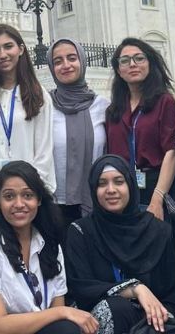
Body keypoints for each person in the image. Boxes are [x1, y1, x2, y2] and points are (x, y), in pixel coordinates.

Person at [0, 160, 98, 334]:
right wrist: (62, 311)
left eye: (27, 195)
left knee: (68, 329)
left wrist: (60, 313)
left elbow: (57, 321)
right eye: (9, 196)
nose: (19, 204)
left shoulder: (49, 245)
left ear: (39, 200)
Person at [65, 155, 175, 334]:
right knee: (116, 308)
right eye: (102, 184)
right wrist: (134, 289)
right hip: (104, 320)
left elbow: (174, 298)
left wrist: (155, 318)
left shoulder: (158, 231)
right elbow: (81, 290)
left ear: (130, 186)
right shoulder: (81, 232)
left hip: (151, 321)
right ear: (93, 189)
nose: (111, 190)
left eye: (118, 181)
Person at [105, 38, 175, 245]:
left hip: (156, 187)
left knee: (160, 256)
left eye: (139, 58)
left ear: (150, 63)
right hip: (123, 191)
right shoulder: (113, 110)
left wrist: (158, 198)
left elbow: (172, 151)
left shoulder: (165, 102)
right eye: (125, 60)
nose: (132, 64)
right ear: (118, 69)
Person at [0, 24, 56, 193]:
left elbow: (44, 152)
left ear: (21, 49)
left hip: (28, 192)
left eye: (8, 46)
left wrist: (30, 190)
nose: (2, 54)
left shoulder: (38, 95)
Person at [47, 38, 110, 223]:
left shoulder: (103, 106)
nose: (65, 65)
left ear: (82, 61)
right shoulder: (44, 106)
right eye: (58, 61)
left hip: (96, 201)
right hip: (54, 204)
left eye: (72, 58)